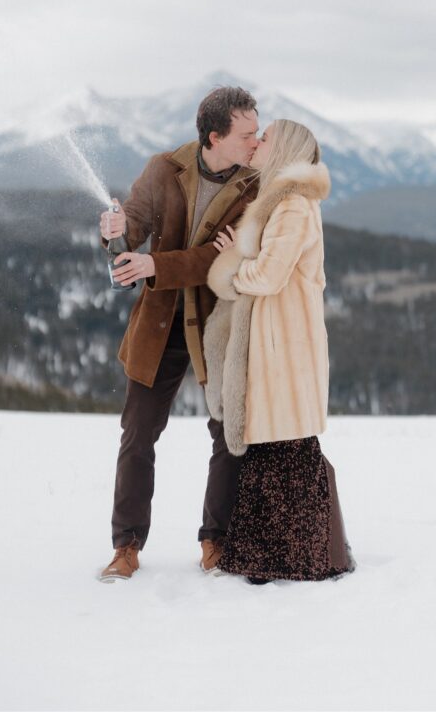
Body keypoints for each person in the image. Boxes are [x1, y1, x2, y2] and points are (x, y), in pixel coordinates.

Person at [97, 86, 260, 582]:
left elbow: (216, 257)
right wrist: (116, 231)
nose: (257, 141)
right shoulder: (164, 168)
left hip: (219, 323)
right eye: (247, 134)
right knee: (138, 434)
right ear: (215, 137)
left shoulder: (255, 186)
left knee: (227, 435)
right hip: (161, 323)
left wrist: (153, 263)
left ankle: (216, 541)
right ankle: (126, 546)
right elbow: (133, 231)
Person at [203, 119, 355, 583]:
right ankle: (283, 555)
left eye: (266, 137)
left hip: (284, 344)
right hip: (278, 341)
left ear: (284, 147)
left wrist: (236, 269)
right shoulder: (283, 201)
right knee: (277, 446)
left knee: (286, 445)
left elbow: (268, 276)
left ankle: (298, 555)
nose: (258, 142)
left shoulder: (292, 205)